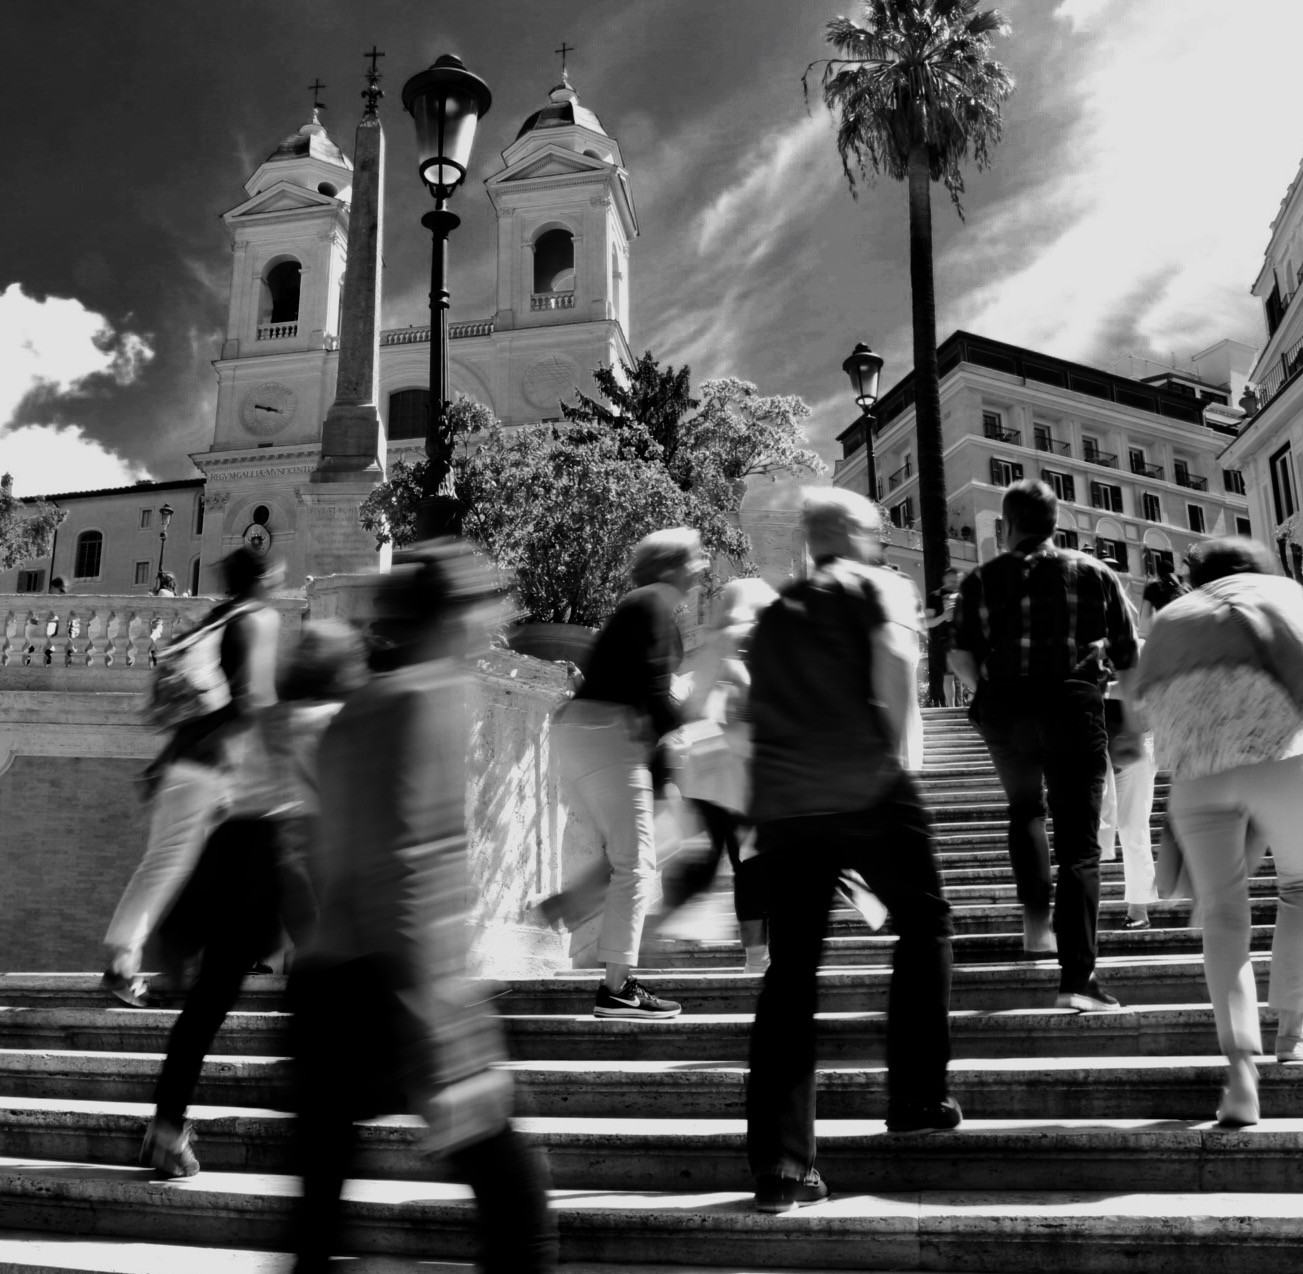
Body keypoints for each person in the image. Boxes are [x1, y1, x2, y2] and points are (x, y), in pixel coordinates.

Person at [288, 541, 556, 1274]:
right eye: (487, 603)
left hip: (323, 985)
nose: (498, 619)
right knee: (519, 1213)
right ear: (451, 616)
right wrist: (443, 1023)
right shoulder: (428, 698)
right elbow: (410, 865)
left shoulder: (356, 709)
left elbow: (325, 855)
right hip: (387, 986)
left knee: (316, 1225)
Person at [744, 489, 958, 1215]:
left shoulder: (774, 614)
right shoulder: (874, 586)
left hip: (785, 806)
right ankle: (916, 1096)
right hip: (864, 785)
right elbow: (894, 666)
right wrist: (894, 766)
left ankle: (782, 1167)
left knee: (791, 976)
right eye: (876, 533)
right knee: (924, 922)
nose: (880, 544)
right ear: (856, 536)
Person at [137, 619, 369, 1179]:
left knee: (207, 1003)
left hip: (238, 852)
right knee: (326, 989)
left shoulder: (267, 720)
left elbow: (230, 790)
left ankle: (166, 1126)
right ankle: (321, 1116)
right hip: (291, 856)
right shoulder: (336, 721)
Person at [949, 480, 1140, 1012]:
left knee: (1025, 810)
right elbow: (1128, 654)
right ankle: (1077, 979)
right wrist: (1130, 726)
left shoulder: (981, 579)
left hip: (1007, 708)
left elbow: (959, 657)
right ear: (1056, 523)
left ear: (1005, 526)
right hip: (1073, 703)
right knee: (1079, 843)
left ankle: (1036, 921)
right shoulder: (1095, 572)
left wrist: (986, 688)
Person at [1136, 536, 1303, 1125]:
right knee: (1299, 890)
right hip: (1283, 760)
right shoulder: (1288, 595)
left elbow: (1145, 709)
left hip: (1198, 779)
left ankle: (1240, 1077)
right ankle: (1291, 1031)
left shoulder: (1173, 616)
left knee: (1225, 917)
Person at [102, 548, 282, 1006]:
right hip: (214, 767)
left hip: (186, 763)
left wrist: (163, 762)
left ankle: (152, 961)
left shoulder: (216, 619)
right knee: (195, 866)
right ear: (261, 578)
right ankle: (141, 964)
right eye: (273, 574)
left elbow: (198, 701)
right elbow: (253, 700)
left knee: (170, 864)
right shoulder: (256, 620)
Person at [541, 527, 706, 1019]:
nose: (701, 566)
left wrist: (664, 780)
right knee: (636, 862)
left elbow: (641, 692)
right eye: (694, 559)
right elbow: (652, 699)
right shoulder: (651, 605)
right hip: (606, 733)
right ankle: (616, 989)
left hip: (593, 733)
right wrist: (699, 712)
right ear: (671, 567)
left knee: (645, 846)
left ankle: (573, 905)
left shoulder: (645, 607)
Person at [658, 576, 777, 973]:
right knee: (750, 867)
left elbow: (695, 708)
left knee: (740, 865)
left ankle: (754, 955)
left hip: (718, 777)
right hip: (736, 779)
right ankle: (756, 957)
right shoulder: (738, 648)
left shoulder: (723, 648)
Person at [924, 567, 962, 706]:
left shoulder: (963, 595)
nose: (954, 584)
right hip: (945, 639)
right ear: (944, 579)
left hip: (965, 638)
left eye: (957, 581)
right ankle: (952, 708)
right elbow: (927, 622)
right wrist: (943, 617)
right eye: (952, 581)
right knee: (949, 674)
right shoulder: (935, 596)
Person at [1139, 557, 1189, 636]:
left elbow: (1146, 615)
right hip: (1183, 628)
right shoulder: (1182, 583)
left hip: (1164, 629)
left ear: (1158, 573)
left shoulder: (1152, 587)